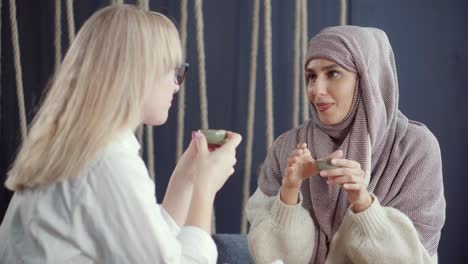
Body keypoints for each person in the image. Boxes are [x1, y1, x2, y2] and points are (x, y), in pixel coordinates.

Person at [0, 5, 241, 263]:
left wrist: (185, 179)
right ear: (139, 73)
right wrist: (206, 189)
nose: (176, 85)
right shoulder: (106, 162)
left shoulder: (80, 148)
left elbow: (143, 244)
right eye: (174, 71)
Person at [246, 26, 445, 263]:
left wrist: (363, 203)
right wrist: (289, 193)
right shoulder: (287, 147)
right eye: (311, 76)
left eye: (333, 74)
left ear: (367, 79)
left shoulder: (415, 149)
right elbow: (269, 257)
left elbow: (415, 258)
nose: (316, 90)